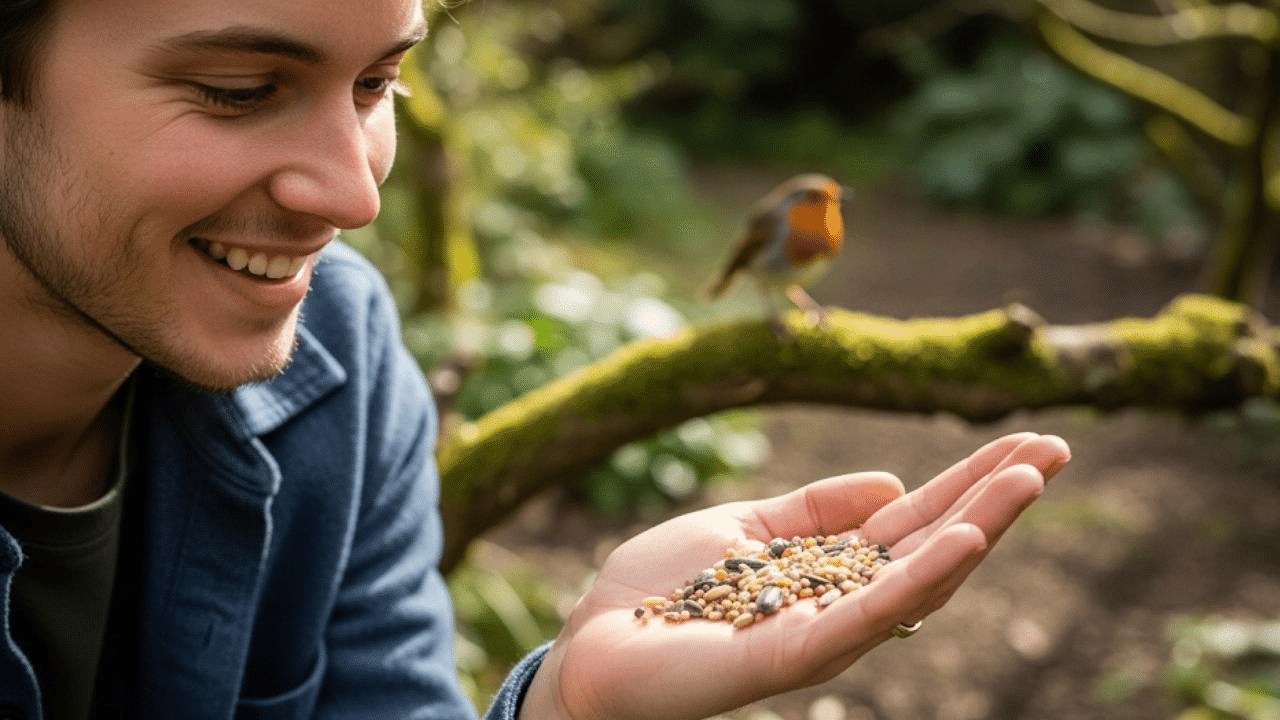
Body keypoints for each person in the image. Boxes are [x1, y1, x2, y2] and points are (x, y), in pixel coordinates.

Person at [0, 0, 1072, 718]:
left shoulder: (341, 351)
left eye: (378, 86)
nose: (357, 198)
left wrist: (563, 701)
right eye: (237, 89)